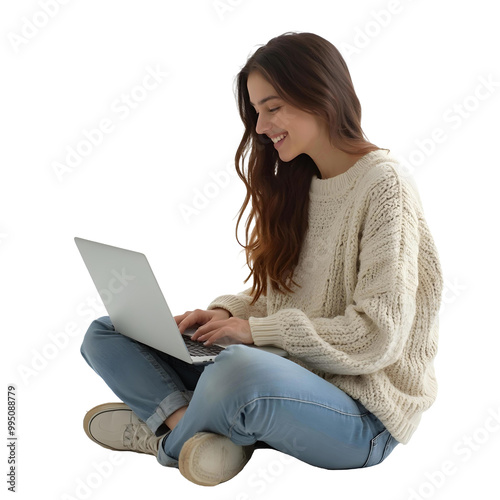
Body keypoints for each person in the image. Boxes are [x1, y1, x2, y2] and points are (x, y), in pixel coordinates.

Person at [80, 31, 444, 487]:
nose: (260, 126)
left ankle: (166, 437)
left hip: (360, 418)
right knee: (109, 331)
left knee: (237, 367)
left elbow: (376, 336)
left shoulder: (384, 186)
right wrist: (226, 314)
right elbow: (283, 299)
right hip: (285, 380)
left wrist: (254, 333)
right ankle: (190, 427)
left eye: (272, 107)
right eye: (256, 112)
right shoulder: (299, 183)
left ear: (322, 94)